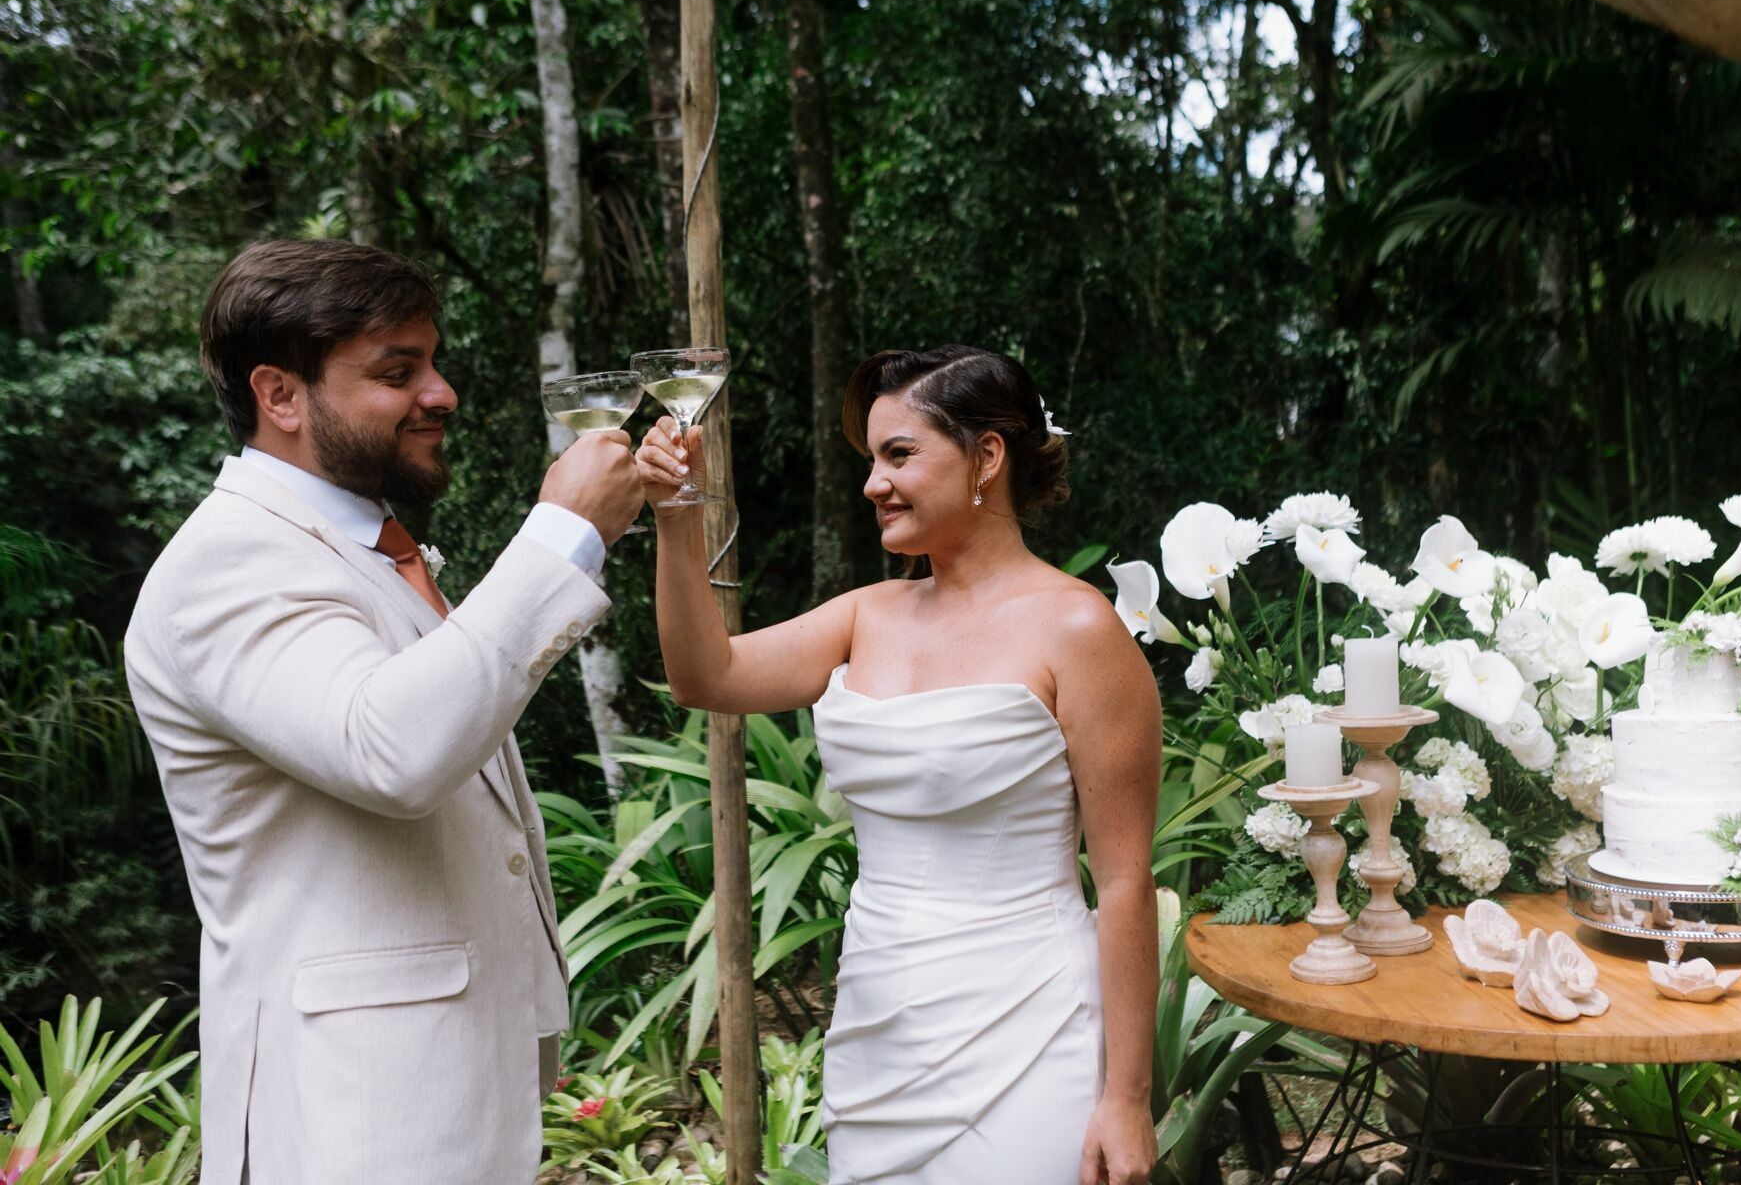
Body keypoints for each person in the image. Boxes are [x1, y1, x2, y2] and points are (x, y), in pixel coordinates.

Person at [124, 239, 650, 1185]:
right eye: (398, 371)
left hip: (445, 1085)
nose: (441, 392)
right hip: (357, 1115)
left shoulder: (357, 546)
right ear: (280, 396)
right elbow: (393, 751)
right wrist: (563, 537)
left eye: (433, 362)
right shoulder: (227, 562)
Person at [637, 345, 1162, 1185]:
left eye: (900, 455)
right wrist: (675, 514)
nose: (874, 483)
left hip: (1029, 1022)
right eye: (871, 460)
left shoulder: (1078, 630)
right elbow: (705, 676)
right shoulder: (866, 614)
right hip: (879, 1023)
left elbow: (1128, 884)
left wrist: (1127, 1099)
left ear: (987, 456)